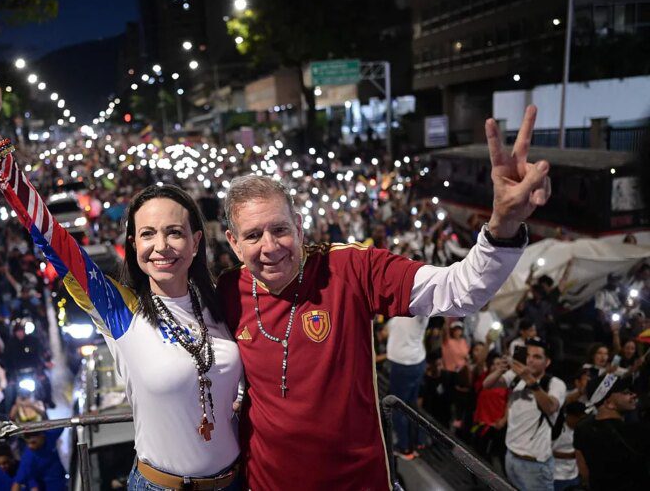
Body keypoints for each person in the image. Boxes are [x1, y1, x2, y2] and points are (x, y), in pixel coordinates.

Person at [217, 105, 551, 489]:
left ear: (300, 227)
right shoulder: (227, 291)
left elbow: (458, 292)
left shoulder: (351, 268)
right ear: (234, 243)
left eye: (280, 229)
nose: (270, 246)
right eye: (253, 235)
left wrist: (504, 224)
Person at [0, 75, 243, 489]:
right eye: (148, 234)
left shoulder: (228, 300)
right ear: (133, 244)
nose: (162, 246)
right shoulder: (120, 310)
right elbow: (51, 238)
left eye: (174, 233)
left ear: (195, 242)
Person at [482, 337, 566, 491]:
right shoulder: (514, 377)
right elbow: (487, 384)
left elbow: (551, 407)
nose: (531, 360)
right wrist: (500, 369)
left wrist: (530, 380)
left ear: (547, 362)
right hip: (511, 456)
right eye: (528, 356)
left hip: (534, 465)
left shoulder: (555, 383)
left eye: (537, 357)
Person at [574, 374, 650, 490]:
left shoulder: (582, 427)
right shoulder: (635, 432)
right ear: (608, 402)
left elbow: (584, 472)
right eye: (625, 392)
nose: (633, 395)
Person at [385, 315, 430, 459]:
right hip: (413, 362)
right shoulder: (402, 314)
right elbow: (387, 330)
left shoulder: (419, 312)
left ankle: (404, 447)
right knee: (411, 404)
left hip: (405, 366)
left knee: (398, 407)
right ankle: (418, 440)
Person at [552, 401, 585, 491]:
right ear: (571, 416)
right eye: (578, 418)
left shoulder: (581, 429)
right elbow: (544, 451)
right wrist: (570, 455)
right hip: (557, 476)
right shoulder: (556, 430)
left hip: (574, 475)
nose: (580, 421)